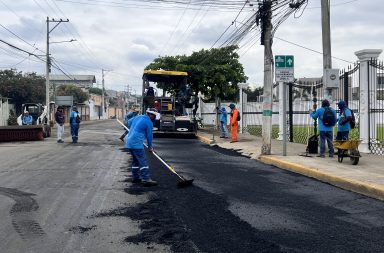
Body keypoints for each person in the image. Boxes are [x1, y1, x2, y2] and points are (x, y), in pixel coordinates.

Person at [125, 108, 158, 187]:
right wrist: (150, 147)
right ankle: (146, 179)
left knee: (136, 161)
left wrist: (136, 128)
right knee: (143, 161)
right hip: (136, 143)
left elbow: (129, 122)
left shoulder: (138, 117)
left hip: (129, 141)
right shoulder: (148, 122)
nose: (155, 117)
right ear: (151, 114)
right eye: (154, 115)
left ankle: (136, 177)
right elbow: (149, 136)